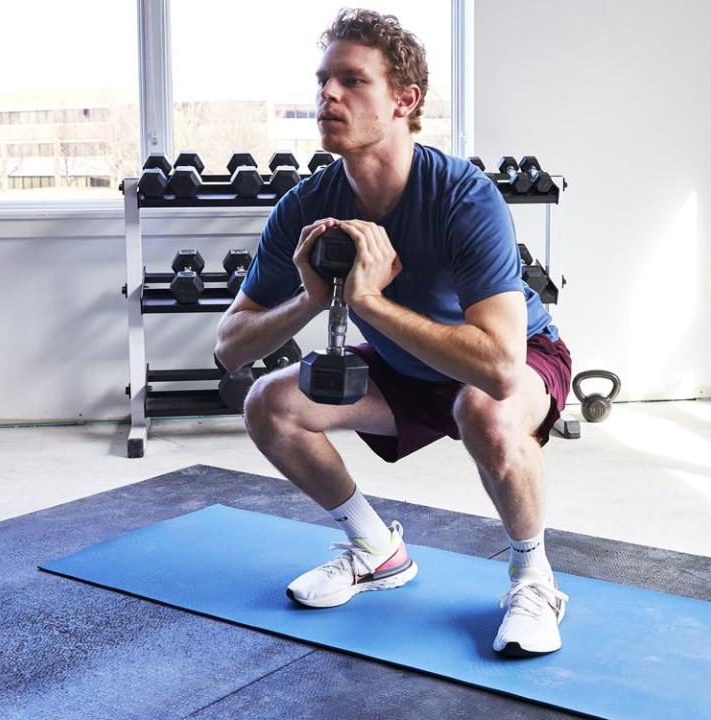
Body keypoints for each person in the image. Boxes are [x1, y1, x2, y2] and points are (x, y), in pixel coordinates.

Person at [214, 8, 572, 657]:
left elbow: (496, 365)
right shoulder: (304, 206)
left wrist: (367, 302)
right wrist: (310, 299)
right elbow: (231, 347)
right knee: (269, 405)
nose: (327, 94)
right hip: (402, 364)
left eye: (352, 80)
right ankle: (377, 549)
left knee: (484, 410)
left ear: (406, 99)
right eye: (323, 79)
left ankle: (533, 579)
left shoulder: (464, 197)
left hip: (508, 360)